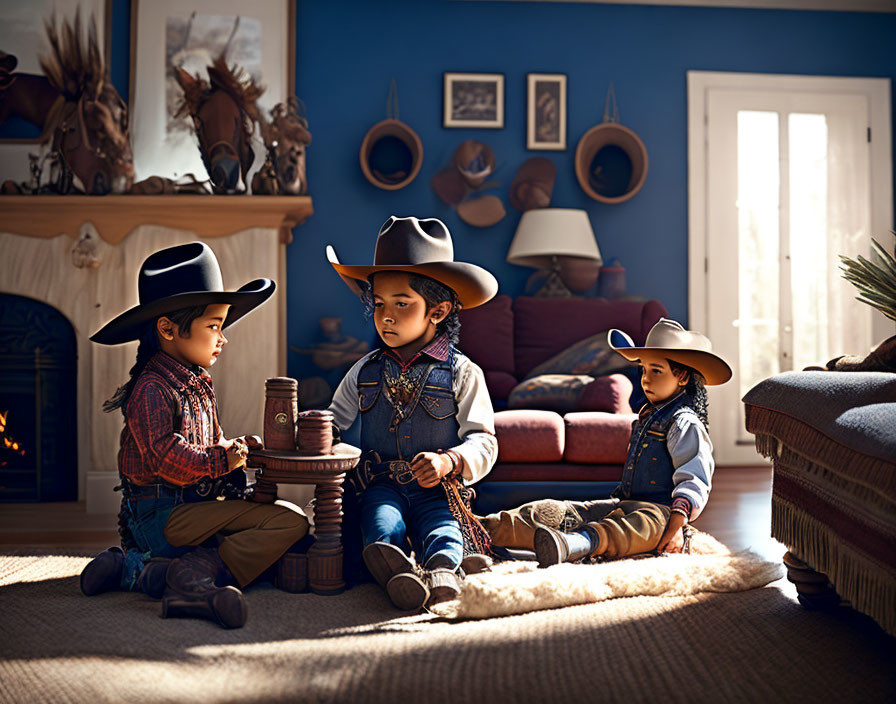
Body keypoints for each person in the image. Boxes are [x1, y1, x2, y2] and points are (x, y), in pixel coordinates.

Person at [79, 242, 309, 628]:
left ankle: (143, 571)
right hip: (165, 515)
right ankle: (189, 572)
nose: (223, 338)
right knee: (288, 525)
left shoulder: (198, 383)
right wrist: (221, 460)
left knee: (290, 518)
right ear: (167, 329)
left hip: (194, 509)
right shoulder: (152, 389)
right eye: (214, 326)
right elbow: (167, 458)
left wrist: (237, 448)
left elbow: (210, 442)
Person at [327, 216, 499, 610]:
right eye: (380, 304)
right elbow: (333, 422)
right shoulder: (364, 370)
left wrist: (450, 460)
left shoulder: (462, 372)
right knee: (379, 525)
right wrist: (311, 432)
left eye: (402, 304)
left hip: (437, 487)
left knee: (443, 529)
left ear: (437, 312)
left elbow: (485, 442)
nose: (386, 316)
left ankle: (441, 570)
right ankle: (398, 571)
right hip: (382, 484)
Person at [480, 318, 732, 567]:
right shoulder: (645, 416)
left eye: (656, 371)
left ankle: (574, 544)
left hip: (660, 513)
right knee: (560, 512)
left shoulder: (684, 423)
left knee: (641, 527)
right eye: (643, 369)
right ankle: (481, 530)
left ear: (683, 378)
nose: (645, 380)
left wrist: (676, 528)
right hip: (624, 505)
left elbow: (693, 480)